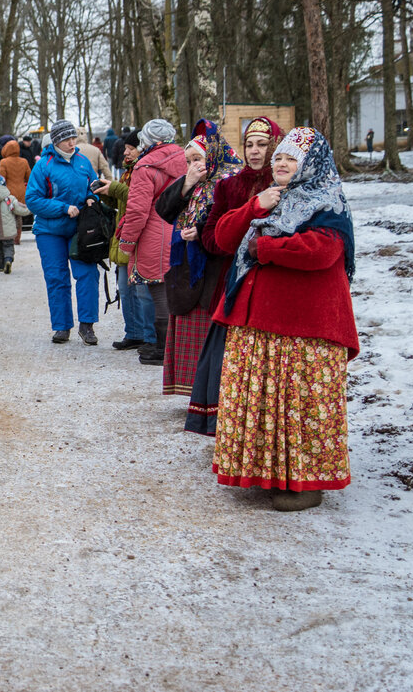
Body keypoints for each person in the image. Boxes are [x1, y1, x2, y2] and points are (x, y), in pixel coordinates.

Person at [210, 128, 357, 511]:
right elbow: (224, 239)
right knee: (265, 400)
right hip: (260, 319)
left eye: (292, 159)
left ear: (311, 164)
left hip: (304, 325)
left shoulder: (327, 201)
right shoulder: (272, 199)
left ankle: (306, 484)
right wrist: (254, 207)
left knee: (299, 401)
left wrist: (267, 248)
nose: (281, 164)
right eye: (280, 158)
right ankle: (267, 472)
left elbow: (323, 250)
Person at [186, 116, 282, 436]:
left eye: (262, 144)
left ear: (275, 146)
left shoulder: (286, 183)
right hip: (234, 282)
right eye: (249, 145)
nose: (255, 152)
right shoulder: (230, 185)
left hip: (275, 285)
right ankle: (227, 425)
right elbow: (212, 238)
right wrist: (239, 238)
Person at [153, 120, 243, 396]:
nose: (194, 165)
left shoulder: (229, 180)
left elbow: (230, 222)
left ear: (213, 156)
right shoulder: (192, 182)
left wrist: (201, 230)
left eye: (198, 159)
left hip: (215, 268)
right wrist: (187, 181)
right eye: (189, 160)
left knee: (208, 325)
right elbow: (164, 210)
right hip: (187, 267)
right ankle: (192, 391)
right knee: (188, 321)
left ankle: (210, 393)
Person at [25, 118, 101, 344]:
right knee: (57, 277)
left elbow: (95, 187)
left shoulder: (83, 162)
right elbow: (32, 200)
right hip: (50, 232)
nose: (72, 142)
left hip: (80, 229)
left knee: (87, 274)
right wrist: (62, 208)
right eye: (66, 139)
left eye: (73, 138)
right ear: (56, 141)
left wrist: (91, 198)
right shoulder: (44, 165)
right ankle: (61, 326)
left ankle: (87, 326)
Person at [115, 119, 185, 364]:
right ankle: (171, 345)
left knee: (157, 290)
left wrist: (127, 241)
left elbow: (137, 211)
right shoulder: (184, 157)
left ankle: (163, 349)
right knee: (170, 289)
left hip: (154, 232)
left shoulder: (145, 166)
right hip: (178, 229)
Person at [94, 129, 149, 350]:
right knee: (126, 289)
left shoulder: (144, 170)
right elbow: (123, 203)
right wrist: (106, 194)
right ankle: (134, 332)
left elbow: (139, 198)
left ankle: (147, 334)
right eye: (125, 148)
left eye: (130, 148)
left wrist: (114, 189)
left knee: (140, 291)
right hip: (124, 233)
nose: (125, 152)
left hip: (137, 236)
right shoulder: (128, 171)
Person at [0, 171, 29, 273]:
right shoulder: (9, 199)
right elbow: (19, 209)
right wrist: (30, 209)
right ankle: (8, 260)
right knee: (8, 246)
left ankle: (0, 265)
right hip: (9, 230)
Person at [0, 137, 31, 232]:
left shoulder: (3, 162)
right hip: (22, 191)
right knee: (19, 215)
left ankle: (11, 234)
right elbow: (29, 178)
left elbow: (1, 179)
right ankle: (18, 235)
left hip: (9, 191)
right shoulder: (24, 161)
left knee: (10, 215)